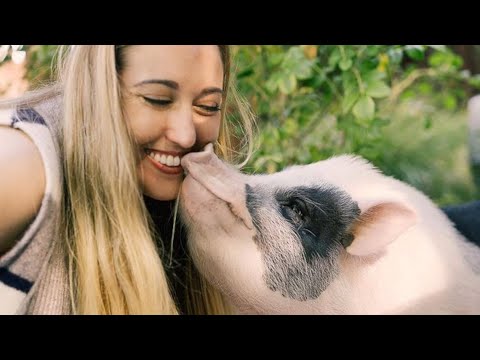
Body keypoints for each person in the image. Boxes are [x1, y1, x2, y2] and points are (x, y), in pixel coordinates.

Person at [0, 45, 256, 315]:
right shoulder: (28, 163)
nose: (186, 136)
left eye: (207, 107)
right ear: (99, 86)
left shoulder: (194, 210)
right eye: (157, 99)